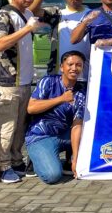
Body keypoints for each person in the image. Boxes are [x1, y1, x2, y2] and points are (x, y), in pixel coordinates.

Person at [0, 0, 42, 184]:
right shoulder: (4, 14)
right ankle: (3, 166)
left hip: (24, 81)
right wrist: (27, 30)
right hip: (7, 82)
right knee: (7, 126)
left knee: (20, 126)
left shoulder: (28, 13)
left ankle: (15, 159)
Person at [25, 50, 86, 184]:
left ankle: (69, 161)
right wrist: (61, 99)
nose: (74, 68)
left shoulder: (81, 91)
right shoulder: (48, 81)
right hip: (41, 136)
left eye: (78, 65)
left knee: (90, 134)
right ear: (61, 67)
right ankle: (39, 160)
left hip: (65, 135)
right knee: (52, 176)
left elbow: (77, 125)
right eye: (70, 64)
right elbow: (31, 108)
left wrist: (76, 159)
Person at [55, 0, 92, 71]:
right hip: (62, 74)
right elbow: (33, 10)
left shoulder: (92, 14)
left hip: (86, 73)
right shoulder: (57, 14)